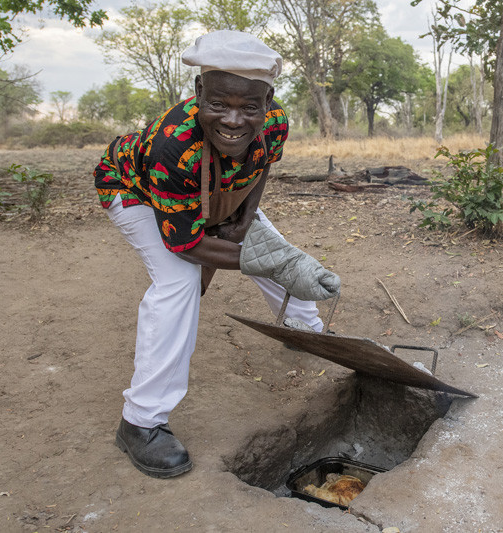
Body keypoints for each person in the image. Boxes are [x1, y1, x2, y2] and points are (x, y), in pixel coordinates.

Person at [94, 30, 339, 479]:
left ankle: (306, 330)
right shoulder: (174, 145)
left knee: (269, 245)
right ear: (198, 93)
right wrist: (275, 260)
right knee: (179, 282)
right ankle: (140, 422)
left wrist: (246, 221)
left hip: (217, 186)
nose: (233, 119)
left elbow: (260, 166)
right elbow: (185, 244)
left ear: (268, 101)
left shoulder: (276, 122)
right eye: (218, 104)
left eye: (250, 107)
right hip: (136, 192)